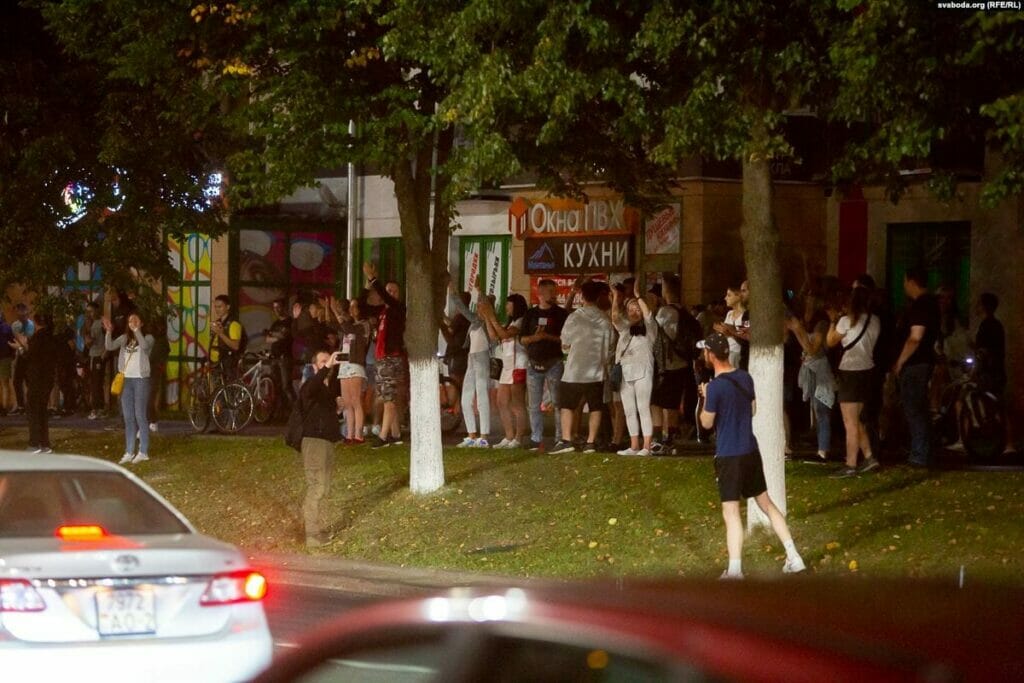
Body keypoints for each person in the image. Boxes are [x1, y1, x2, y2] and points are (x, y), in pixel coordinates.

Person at [697, 332, 807, 579]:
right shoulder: (745, 377)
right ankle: (793, 555)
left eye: (705, 351)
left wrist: (705, 398)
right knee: (766, 503)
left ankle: (735, 569)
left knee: (731, 511)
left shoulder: (714, 387)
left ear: (711, 355)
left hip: (728, 455)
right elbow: (754, 408)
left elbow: (706, 423)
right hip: (750, 450)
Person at [552, 280, 615, 454]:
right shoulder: (604, 319)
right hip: (596, 372)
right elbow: (611, 345)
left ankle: (566, 439)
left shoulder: (574, 317)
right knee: (596, 407)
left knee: (567, 406)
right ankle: (591, 442)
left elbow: (565, 343)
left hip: (574, 371)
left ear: (582, 296)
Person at [827, 287, 881, 476]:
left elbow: (830, 341)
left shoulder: (846, 321)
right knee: (857, 419)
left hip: (850, 371)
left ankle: (850, 464)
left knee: (849, 421)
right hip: (867, 371)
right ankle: (869, 457)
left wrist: (833, 321)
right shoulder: (875, 320)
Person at [894, 267, 941, 467]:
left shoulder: (921, 305)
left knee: (914, 409)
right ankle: (924, 452)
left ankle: (919, 455)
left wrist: (900, 361)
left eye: (905, 281)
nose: (904, 286)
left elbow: (915, 338)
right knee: (919, 409)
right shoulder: (932, 304)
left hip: (916, 364)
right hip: (925, 361)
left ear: (911, 281)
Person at [299, 348, 343, 548]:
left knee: (323, 488)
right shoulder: (311, 383)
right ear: (315, 365)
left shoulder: (326, 388)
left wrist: (338, 408)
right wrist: (326, 368)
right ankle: (312, 536)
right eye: (323, 360)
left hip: (326, 443)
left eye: (330, 360)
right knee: (316, 487)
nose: (330, 363)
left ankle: (316, 530)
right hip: (314, 442)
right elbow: (309, 390)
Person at [519, 278, 570, 450]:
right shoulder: (530, 314)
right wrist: (535, 338)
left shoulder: (561, 314)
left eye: (555, 291)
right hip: (533, 364)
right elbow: (522, 339)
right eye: (550, 291)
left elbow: (565, 339)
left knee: (557, 402)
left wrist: (547, 337)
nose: (554, 294)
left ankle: (560, 437)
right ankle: (535, 437)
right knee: (533, 404)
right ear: (539, 293)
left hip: (554, 362)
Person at [448, 279, 496, 448]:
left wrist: (480, 292)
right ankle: (471, 435)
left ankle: (483, 436)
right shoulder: (475, 321)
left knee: (482, 396)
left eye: (483, 305)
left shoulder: (488, 323)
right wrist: (453, 293)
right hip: (471, 359)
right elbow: (463, 309)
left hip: (482, 359)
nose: (479, 307)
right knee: (466, 398)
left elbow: (493, 339)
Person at [363, 262, 407, 448]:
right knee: (388, 397)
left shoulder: (398, 309)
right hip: (381, 358)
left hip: (391, 357)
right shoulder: (383, 312)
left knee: (388, 398)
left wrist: (374, 280)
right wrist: (368, 284)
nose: (389, 293)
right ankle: (395, 434)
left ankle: (383, 437)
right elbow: (363, 308)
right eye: (388, 290)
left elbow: (386, 297)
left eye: (393, 291)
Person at [611, 282, 657, 456]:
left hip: (643, 371)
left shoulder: (650, 329)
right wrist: (616, 297)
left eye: (636, 308)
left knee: (643, 408)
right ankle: (634, 445)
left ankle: (647, 446)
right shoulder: (624, 329)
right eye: (630, 309)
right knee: (629, 410)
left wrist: (638, 296)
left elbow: (648, 316)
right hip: (625, 371)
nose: (634, 311)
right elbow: (615, 317)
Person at [788, 293, 835, 461]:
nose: (807, 300)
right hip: (810, 368)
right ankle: (820, 445)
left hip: (822, 370)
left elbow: (813, 349)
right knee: (816, 410)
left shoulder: (821, 324)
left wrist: (798, 330)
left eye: (811, 298)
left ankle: (823, 450)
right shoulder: (805, 321)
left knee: (822, 409)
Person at [105, 312, 155, 464]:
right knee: (128, 417)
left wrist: (136, 331)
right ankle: (129, 451)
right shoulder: (124, 338)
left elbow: (145, 347)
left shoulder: (147, 337)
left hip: (140, 379)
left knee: (140, 415)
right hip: (126, 379)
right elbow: (109, 346)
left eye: (135, 320)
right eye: (129, 320)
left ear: (142, 323)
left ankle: (143, 451)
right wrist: (108, 331)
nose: (131, 322)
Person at [485, 293, 529, 449]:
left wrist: (491, 316)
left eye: (508, 304)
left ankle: (518, 438)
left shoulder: (521, 321)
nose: (506, 307)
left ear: (516, 306)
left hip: (518, 365)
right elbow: (494, 336)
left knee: (517, 403)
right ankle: (508, 436)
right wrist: (487, 317)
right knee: (501, 401)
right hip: (507, 366)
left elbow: (504, 334)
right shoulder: (509, 322)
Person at [332, 297, 371, 444]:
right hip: (344, 363)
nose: (351, 309)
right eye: (351, 307)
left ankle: (358, 434)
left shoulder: (363, 325)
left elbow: (350, 330)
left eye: (355, 307)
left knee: (355, 401)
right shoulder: (348, 324)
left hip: (355, 364)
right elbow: (339, 327)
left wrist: (335, 311)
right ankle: (349, 435)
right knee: (347, 402)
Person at [20, 312, 60, 453]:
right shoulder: (51, 337)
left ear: (36, 323)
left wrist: (22, 347)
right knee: (42, 410)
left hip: (37, 379)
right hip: (47, 379)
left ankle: (34, 443)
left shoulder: (37, 338)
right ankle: (44, 444)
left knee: (33, 410)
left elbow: (31, 357)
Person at [266, 298, 296, 410]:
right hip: (274, 357)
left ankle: (295, 411)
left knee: (286, 386)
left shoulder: (290, 322)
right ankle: (280, 411)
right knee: (275, 386)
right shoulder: (276, 323)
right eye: (274, 308)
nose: (276, 310)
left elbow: (285, 335)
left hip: (285, 358)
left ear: (284, 308)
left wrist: (274, 335)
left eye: (278, 307)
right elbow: (267, 339)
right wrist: (277, 336)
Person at [210, 295, 244, 381]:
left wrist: (220, 334)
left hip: (227, 364)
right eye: (215, 307)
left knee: (227, 391)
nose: (217, 309)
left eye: (220, 307)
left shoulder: (233, 324)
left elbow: (235, 346)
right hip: (215, 362)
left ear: (228, 307)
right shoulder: (218, 322)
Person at [9, 303, 36, 415]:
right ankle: (21, 405)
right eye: (19, 313)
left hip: (28, 355)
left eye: (24, 313)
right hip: (20, 355)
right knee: (17, 381)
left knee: (29, 381)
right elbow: (18, 339)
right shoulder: (15, 325)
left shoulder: (30, 324)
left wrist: (21, 345)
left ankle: (31, 405)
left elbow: (26, 341)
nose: (22, 315)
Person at [714, 284, 748, 370]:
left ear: (738, 296)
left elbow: (745, 338)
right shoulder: (729, 313)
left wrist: (730, 333)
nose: (725, 298)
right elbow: (725, 333)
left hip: (737, 353)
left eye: (729, 295)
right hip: (727, 352)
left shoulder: (745, 315)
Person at [84, 301, 107, 419]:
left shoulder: (101, 322)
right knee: (94, 382)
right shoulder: (89, 324)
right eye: (88, 312)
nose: (89, 314)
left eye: (91, 311)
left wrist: (104, 352)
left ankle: (97, 408)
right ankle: (98, 407)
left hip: (99, 355)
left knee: (97, 382)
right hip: (93, 354)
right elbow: (88, 342)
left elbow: (107, 336)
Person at [0, 312, 14, 415]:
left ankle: (4, 407)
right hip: (5, 357)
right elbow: (11, 342)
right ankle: (4, 408)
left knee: (4, 383)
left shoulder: (6, 327)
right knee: (5, 383)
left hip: (5, 357)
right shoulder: (7, 327)